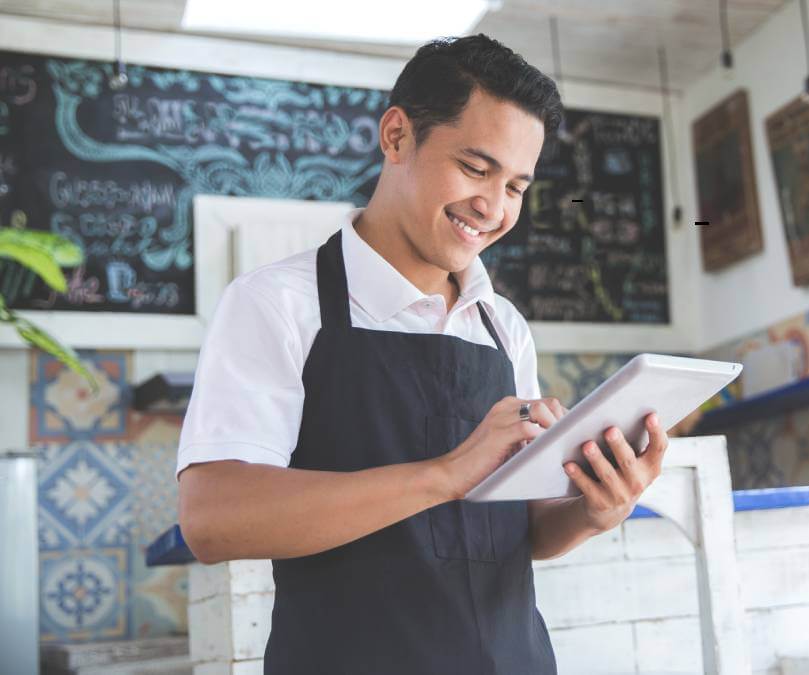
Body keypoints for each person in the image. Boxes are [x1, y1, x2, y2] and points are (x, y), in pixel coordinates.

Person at [176, 34, 671, 674]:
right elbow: (213, 520)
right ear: (397, 136)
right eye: (475, 167)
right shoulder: (275, 304)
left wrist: (593, 511)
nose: (493, 208)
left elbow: (520, 533)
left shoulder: (504, 326)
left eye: (517, 186)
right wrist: (443, 475)